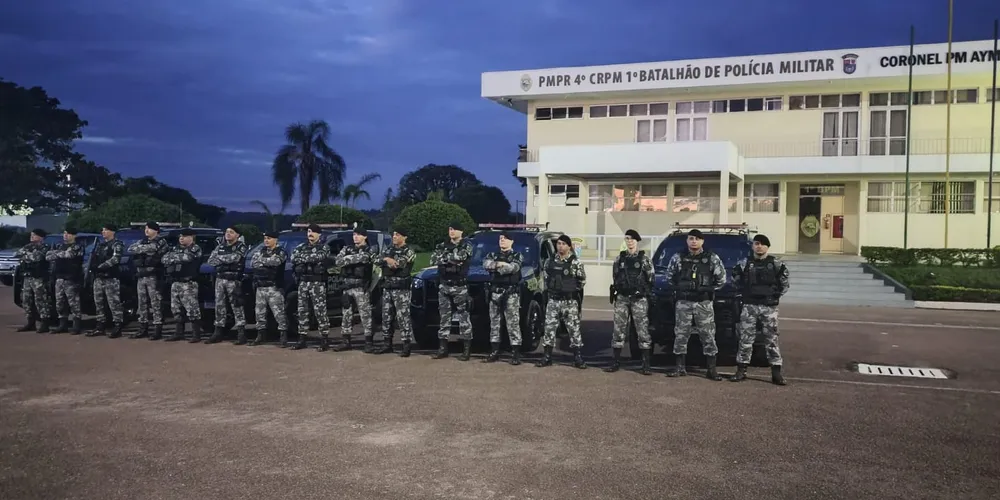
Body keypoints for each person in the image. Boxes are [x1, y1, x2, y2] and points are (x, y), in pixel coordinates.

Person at [664, 229, 727, 380]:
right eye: (691, 238)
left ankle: (711, 370)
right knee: (681, 334)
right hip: (684, 303)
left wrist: (707, 289)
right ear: (687, 241)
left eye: (697, 239)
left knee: (708, 335)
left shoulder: (711, 258)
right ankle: (680, 367)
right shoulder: (678, 257)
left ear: (702, 241)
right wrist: (680, 288)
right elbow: (669, 277)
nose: (694, 241)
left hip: (703, 303)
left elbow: (721, 280)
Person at [730, 234, 790, 386]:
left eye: (763, 244)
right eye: (756, 243)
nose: (759, 246)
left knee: (771, 340)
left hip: (769, 308)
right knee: (745, 339)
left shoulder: (776, 264)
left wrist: (773, 297)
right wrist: (744, 293)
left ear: (767, 247)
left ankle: (776, 373)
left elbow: (784, 285)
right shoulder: (744, 263)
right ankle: (741, 370)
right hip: (749, 306)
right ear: (752, 246)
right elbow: (735, 280)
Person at [607, 229, 653, 375]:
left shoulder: (645, 259)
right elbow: (615, 277)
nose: (629, 241)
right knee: (618, 329)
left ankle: (645, 364)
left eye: (632, 239)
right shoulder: (619, 259)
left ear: (637, 241)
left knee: (642, 330)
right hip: (622, 298)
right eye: (627, 239)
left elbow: (651, 279)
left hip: (639, 299)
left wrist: (642, 291)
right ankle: (615, 362)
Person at [537, 234, 587, 369]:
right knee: (549, 329)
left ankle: (577, 357)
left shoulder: (575, 263)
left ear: (569, 246)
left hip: (569, 302)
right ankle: (547, 356)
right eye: (558, 243)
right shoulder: (550, 261)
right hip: (553, 300)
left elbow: (581, 281)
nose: (560, 246)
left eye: (564, 244)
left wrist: (569, 289)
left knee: (573, 330)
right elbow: (546, 277)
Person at [429, 220, 474, 360]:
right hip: (444, 285)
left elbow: (461, 257)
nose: (451, 231)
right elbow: (433, 260)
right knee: (444, 317)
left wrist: (445, 258)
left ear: (461, 232)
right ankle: (443, 348)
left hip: (459, 286)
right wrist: (449, 259)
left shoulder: (467, 245)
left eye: (454, 229)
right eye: (450, 229)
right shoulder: (441, 245)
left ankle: (466, 350)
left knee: (463, 317)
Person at [331, 225, 377, 352]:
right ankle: (346, 341)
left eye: (358, 235)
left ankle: (368, 342)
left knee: (365, 315)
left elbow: (364, 258)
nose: (355, 237)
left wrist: (348, 259)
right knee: (346, 315)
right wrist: (351, 259)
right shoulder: (347, 248)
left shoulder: (369, 250)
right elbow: (338, 261)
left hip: (361, 287)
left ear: (365, 236)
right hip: (347, 286)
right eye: (354, 235)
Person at [483, 231, 524, 365]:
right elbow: (486, 265)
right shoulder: (492, 255)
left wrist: (498, 266)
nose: (502, 240)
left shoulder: (517, 255)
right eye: (501, 238)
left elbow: (514, 268)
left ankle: (515, 353)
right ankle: (494, 351)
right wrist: (500, 265)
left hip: (511, 294)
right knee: (494, 323)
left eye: (505, 239)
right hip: (495, 293)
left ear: (511, 241)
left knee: (512, 324)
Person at [290, 224, 331, 350]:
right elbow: (293, 257)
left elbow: (319, 257)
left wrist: (303, 258)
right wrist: (306, 259)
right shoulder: (301, 246)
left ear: (319, 234)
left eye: (313, 232)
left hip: (317, 283)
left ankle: (324, 338)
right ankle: (302, 338)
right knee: (302, 310)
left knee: (320, 311)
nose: (310, 234)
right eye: (308, 231)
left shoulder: (324, 247)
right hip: (303, 282)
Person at [377, 227, 416, 356]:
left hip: (401, 290)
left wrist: (388, 261)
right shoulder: (388, 250)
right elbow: (377, 260)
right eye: (393, 234)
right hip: (387, 288)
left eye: (397, 235)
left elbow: (398, 264)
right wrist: (387, 259)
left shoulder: (409, 251)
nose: (394, 237)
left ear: (404, 237)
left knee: (403, 317)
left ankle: (406, 345)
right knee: (386, 317)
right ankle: (387, 343)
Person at [206, 226, 249, 344]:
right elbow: (210, 261)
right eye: (227, 232)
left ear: (237, 235)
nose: (228, 234)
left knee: (237, 306)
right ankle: (218, 332)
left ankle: (241, 334)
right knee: (219, 306)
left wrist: (220, 259)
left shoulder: (241, 247)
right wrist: (223, 259)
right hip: (220, 279)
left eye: (231, 232)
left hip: (233, 280)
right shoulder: (220, 246)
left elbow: (234, 258)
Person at [128, 222, 169, 339]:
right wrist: (143, 249)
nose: (146, 231)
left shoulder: (161, 241)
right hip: (141, 275)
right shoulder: (142, 241)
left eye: (149, 229)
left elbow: (154, 248)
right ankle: (143, 328)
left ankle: (157, 328)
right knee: (142, 303)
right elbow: (131, 248)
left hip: (154, 276)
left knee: (156, 303)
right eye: (145, 228)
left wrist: (140, 249)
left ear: (156, 231)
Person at [161, 228, 203, 342]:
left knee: (192, 309)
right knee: (176, 309)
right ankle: (179, 333)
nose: (181, 238)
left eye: (184, 236)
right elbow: (164, 259)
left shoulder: (195, 248)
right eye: (180, 236)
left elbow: (187, 258)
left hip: (188, 283)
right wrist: (176, 257)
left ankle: (196, 334)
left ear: (191, 237)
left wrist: (174, 258)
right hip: (175, 282)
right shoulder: (175, 248)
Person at [250, 231, 289, 346]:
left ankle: (283, 336)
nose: (266, 240)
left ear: (276, 240)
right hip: (260, 287)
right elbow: (253, 263)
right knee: (259, 314)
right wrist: (266, 262)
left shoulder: (280, 252)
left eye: (269, 238)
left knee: (279, 314)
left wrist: (262, 262)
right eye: (265, 238)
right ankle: (260, 335)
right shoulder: (260, 251)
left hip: (274, 287)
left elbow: (275, 262)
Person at [87, 224, 125, 338]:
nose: (103, 232)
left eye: (106, 230)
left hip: (110, 277)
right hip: (99, 278)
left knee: (114, 303)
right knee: (99, 303)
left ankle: (118, 325)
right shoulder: (100, 245)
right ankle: (100, 326)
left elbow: (115, 259)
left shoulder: (117, 244)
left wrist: (101, 266)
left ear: (112, 232)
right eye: (102, 230)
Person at [47, 227, 86, 335]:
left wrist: (57, 254)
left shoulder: (78, 247)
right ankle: (62, 324)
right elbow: (48, 256)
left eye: (68, 234)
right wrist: (59, 253)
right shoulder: (60, 246)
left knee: (74, 303)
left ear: (74, 236)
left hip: (71, 279)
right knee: (60, 303)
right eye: (64, 233)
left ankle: (76, 325)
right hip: (59, 278)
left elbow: (69, 255)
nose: (65, 235)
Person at [15, 228, 53, 333]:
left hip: (38, 278)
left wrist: (26, 255)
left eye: (34, 235)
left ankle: (45, 323)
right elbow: (17, 253)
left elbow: (37, 258)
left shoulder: (45, 247)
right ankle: (30, 322)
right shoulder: (28, 246)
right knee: (26, 300)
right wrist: (27, 255)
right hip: (27, 277)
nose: (31, 237)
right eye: (31, 235)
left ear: (41, 237)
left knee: (40, 300)